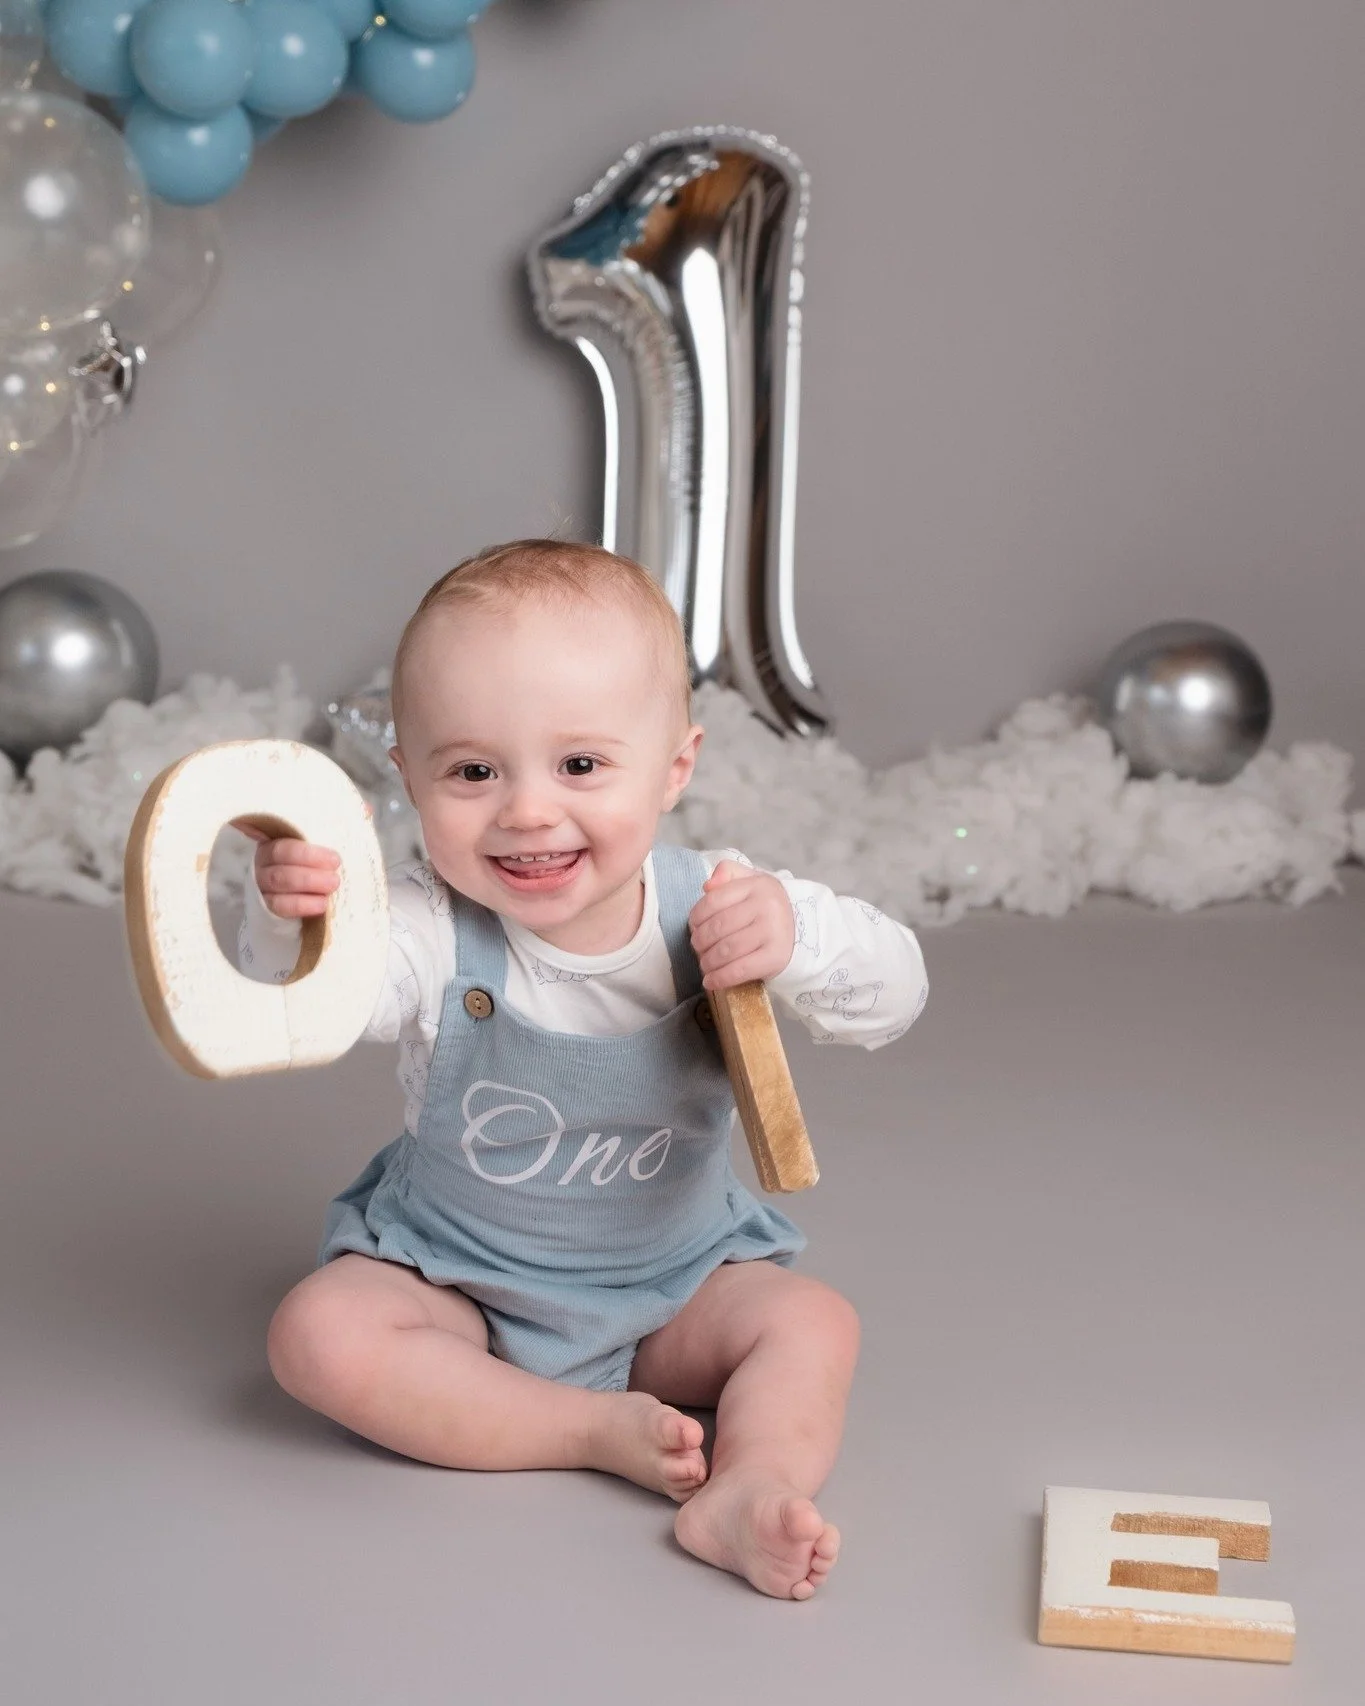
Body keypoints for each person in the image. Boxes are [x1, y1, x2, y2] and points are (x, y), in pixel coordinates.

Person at [237, 539, 928, 1600]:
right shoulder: (427, 925)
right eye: (473, 770)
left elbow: (895, 997)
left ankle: (749, 1484)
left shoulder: (722, 904)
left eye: (580, 765)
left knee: (810, 1321)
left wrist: (800, 941)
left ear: (675, 768)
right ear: (410, 778)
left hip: (672, 1286)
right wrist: (290, 914)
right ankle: (582, 1429)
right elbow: (306, 1012)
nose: (525, 810)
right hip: (454, 1279)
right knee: (318, 1335)